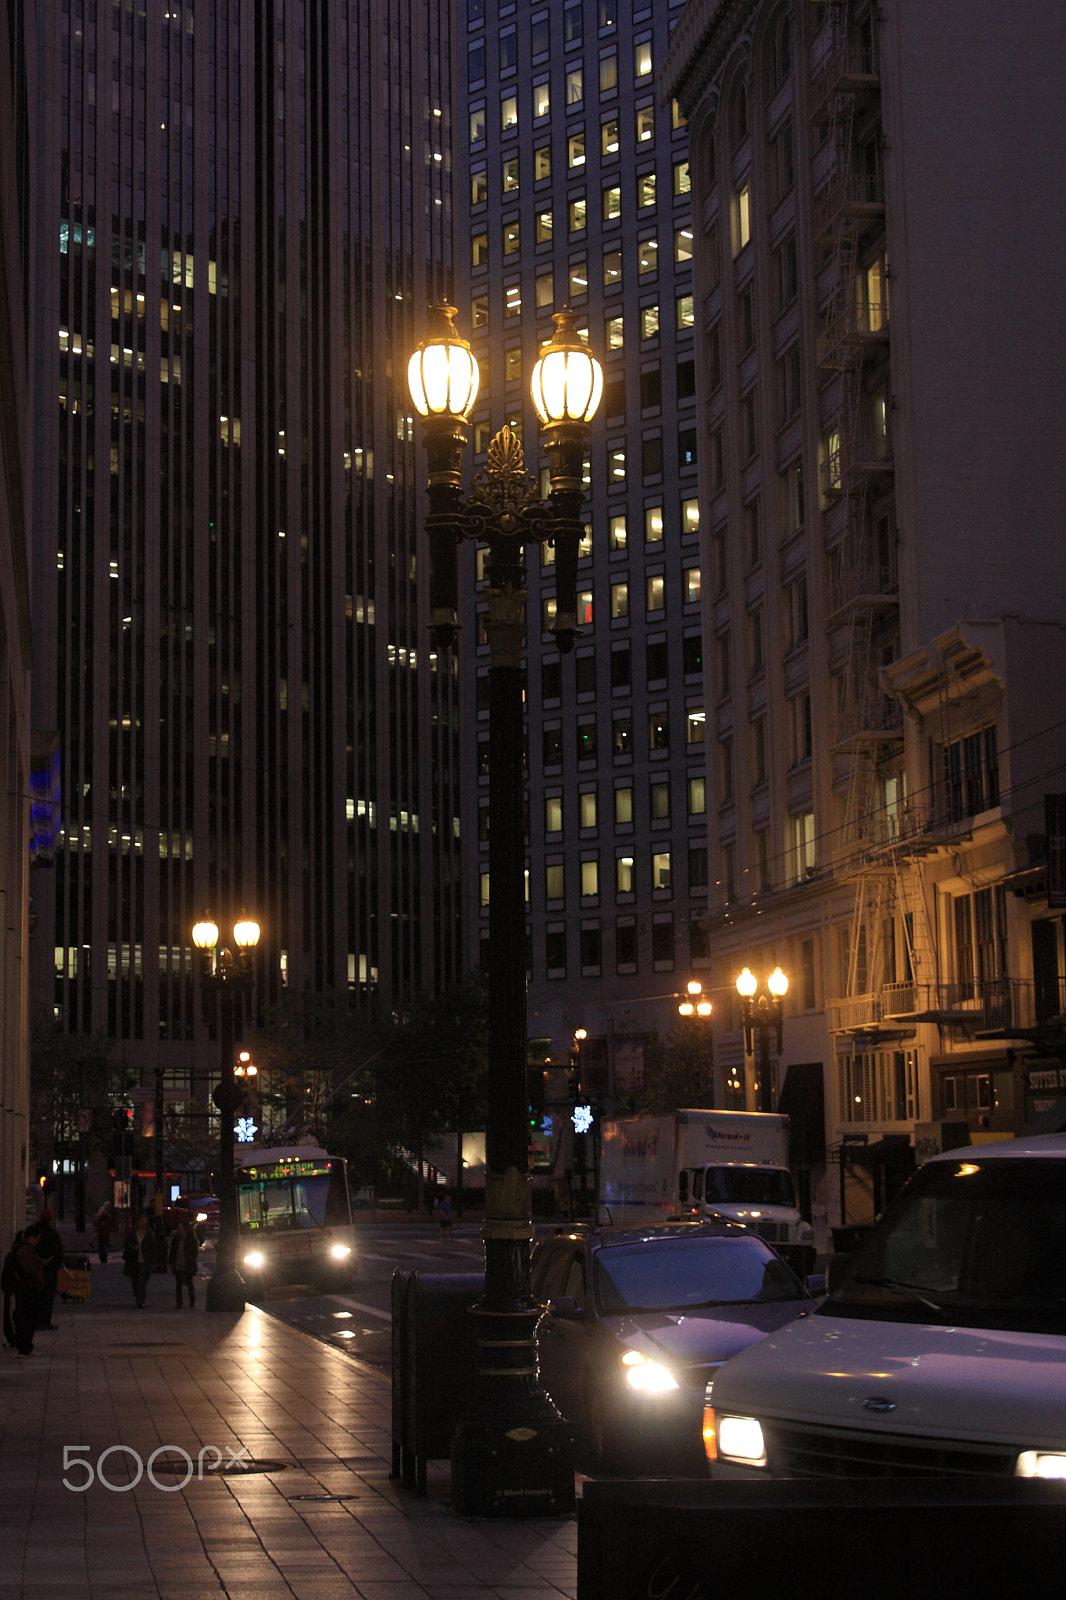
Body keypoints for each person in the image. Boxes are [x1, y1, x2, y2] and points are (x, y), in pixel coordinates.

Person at [11, 1223, 45, 1354]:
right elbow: (30, 1270)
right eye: (37, 1239)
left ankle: (25, 1345)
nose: (38, 1242)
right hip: (28, 1289)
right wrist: (38, 1280)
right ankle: (24, 1346)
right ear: (32, 1237)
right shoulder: (25, 1251)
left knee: (26, 1317)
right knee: (27, 1318)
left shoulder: (23, 1249)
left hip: (26, 1288)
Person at [35, 1210, 64, 1330]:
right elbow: (59, 1252)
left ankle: (37, 1319)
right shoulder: (53, 1234)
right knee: (48, 1296)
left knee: (37, 1295)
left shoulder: (36, 1232)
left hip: (36, 1269)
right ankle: (45, 1321)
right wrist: (55, 1264)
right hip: (49, 1269)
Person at [123, 1213, 157, 1308]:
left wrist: (154, 1262)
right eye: (142, 1221)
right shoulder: (133, 1233)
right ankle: (137, 1297)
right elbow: (126, 1245)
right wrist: (132, 1247)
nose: (143, 1223)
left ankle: (141, 1300)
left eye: (145, 1221)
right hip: (134, 1261)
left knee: (142, 1281)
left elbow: (153, 1248)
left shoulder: (149, 1233)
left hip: (145, 1261)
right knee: (135, 1281)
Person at [168, 1217, 200, 1309]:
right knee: (178, 1284)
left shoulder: (190, 1239)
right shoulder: (177, 1238)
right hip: (178, 1263)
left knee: (189, 1283)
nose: (179, 1229)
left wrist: (191, 1261)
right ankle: (179, 1303)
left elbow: (194, 1252)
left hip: (187, 1264)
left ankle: (192, 1301)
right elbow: (173, 1251)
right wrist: (171, 1263)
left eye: (181, 1227)